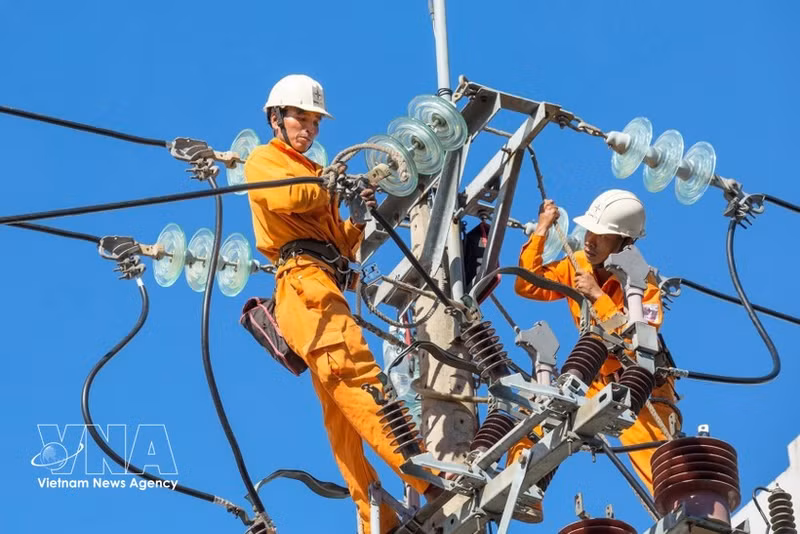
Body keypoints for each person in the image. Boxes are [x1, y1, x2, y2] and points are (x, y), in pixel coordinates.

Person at [243, 74, 433, 534]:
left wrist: (355, 214)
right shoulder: (266, 161)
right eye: (300, 119)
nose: (308, 129)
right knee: (356, 378)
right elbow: (290, 196)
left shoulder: (313, 174)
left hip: (322, 283)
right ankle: (429, 474)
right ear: (276, 118)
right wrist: (332, 184)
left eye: (314, 122)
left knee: (341, 412)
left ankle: (374, 511)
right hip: (304, 288)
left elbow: (341, 245)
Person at [512, 189, 679, 494]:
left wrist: (598, 297)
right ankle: (522, 491)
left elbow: (638, 340)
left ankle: (683, 515)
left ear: (624, 241)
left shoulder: (644, 283)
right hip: (594, 377)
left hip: (641, 384)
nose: (590, 240)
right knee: (540, 418)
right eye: (590, 230)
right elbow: (526, 284)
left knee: (657, 465)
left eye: (601, 235)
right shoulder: (577, 265)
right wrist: (542, 228)